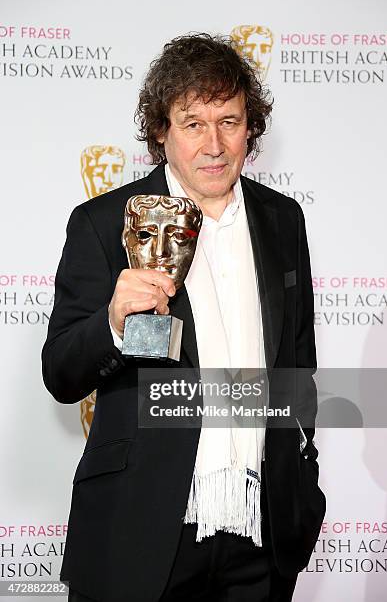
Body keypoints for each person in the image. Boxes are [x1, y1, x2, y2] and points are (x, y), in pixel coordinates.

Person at [42, 33, 326, 602]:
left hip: (260, 533)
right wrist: (113, 322)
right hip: (143, 527)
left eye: (230, 120)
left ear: (252, 128)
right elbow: (61, 373)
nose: (213, 143)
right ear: (161, 132)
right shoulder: (105, 223)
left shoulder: (283, 220)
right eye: (193, 122)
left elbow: (297, 363)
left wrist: (302, 479)